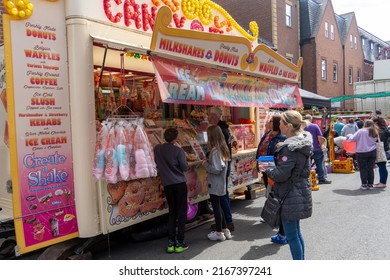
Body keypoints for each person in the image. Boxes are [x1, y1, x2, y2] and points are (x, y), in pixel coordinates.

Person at [258, 110, 313, 260]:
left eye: (281, 122)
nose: (279, 125)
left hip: (290, 194)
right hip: (298, 192)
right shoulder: (299, 143)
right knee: (295, 233)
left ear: (288, 126)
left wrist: (267, 167)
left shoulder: (291, 148)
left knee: (292, 235)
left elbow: (281, 175)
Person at [153, 127, 189, 253]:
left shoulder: (157, 149)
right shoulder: (178, 151)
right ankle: (180, 242)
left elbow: (156, 161)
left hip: (167, 185)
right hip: (179, 184)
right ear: (175, 138)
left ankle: (170, 242)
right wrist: (180, 149)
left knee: (172, 213)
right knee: (181, 212)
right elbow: (184, 167)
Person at [256, 115, 287, 244]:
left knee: (275, 193)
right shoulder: (268, 134)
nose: (267, 122)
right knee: (269, 192)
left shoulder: (281, 138)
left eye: (270, 121)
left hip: (274, 169)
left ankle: (277, 221)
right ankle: (270, 214)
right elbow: (261, 147)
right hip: (265, 166)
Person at [202, 125, 232, 241]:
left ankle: (219, 232)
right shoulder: (223, 149)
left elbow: (216, 168)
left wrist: (205, 164)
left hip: (215, 183)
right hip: (221, 183)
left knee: (217, 208)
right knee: (220, 207)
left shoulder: (215, 151)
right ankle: (225, 229)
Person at [207, 106, 234, 231]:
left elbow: (216, 167)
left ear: (215, 116)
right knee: (223, 194)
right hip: (225, 162)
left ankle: (225, 223)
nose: (208, 117)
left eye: (209, 115)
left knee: (221, 196)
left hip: (221, 165)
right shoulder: (224, 128)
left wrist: (207, 162)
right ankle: (224, 222)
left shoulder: (219, 130)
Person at [345, 120, 378, 190]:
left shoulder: (361, 131)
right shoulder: (375, 131)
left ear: (365, 124)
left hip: (361, 152)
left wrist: (349, 136)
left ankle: (364, 184)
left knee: (363, 169)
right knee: (370, 168)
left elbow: (351, 139)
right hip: (372, 151)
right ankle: (370, 184)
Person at [304, 114, 331, 184]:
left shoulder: (301, 127)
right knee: (319, 164)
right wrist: (321, 145)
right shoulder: (315, 126)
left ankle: (307, 179)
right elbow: (319, 137)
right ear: (311, 119)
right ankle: (321, 179)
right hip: (316, 148)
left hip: (305, 149)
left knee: (306, 165)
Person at [373, 117, 390, 188]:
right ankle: (381, 181)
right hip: (385, 149)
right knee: (382, 166)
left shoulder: (379, 131)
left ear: (376, 123)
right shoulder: (385, 130)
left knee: (382, 166)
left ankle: (383, 182)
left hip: (381, 150)